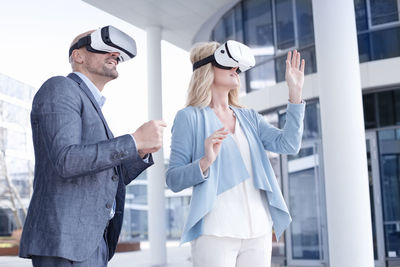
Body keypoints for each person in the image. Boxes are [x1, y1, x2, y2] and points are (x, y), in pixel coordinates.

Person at [19, 26, 166, 266]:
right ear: (78, 56)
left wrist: (138, 151)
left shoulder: (93, 107)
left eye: (117, 53)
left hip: (92, 241)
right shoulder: (60, 87)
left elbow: (105, 177)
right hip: (65, 241)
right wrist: (134, 140)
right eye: (106, 49)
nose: (115, 55)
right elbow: (66, 160)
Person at [166, 41, 306, 267]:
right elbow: (173, 179)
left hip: (258, 231)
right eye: (228, 64)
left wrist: (295, 93)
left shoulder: (248, 117)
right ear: (207, 68)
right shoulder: (189, 118)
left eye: (237, 67)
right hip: (215, 232)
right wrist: (204, 162)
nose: (236, 70)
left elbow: (288, 145)